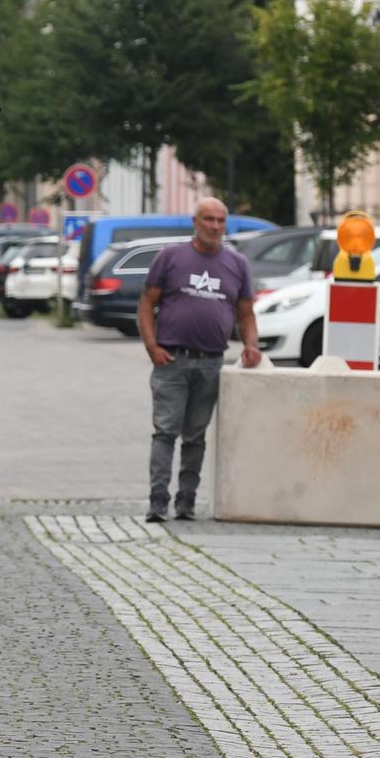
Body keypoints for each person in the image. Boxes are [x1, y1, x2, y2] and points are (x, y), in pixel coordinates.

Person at [134, 197, 260, 522]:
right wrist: (151, 346)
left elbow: (246, 313)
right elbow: (147, 304)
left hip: (211, 362)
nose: (214, 226)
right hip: (171, 360)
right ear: (195, 221)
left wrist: (251, 344)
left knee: (196, 436)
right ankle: (157, 501)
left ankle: (186, 501)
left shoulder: (237, 264)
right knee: (165, 432)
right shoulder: (171, 257)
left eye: (220, 221)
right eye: (208, 219)